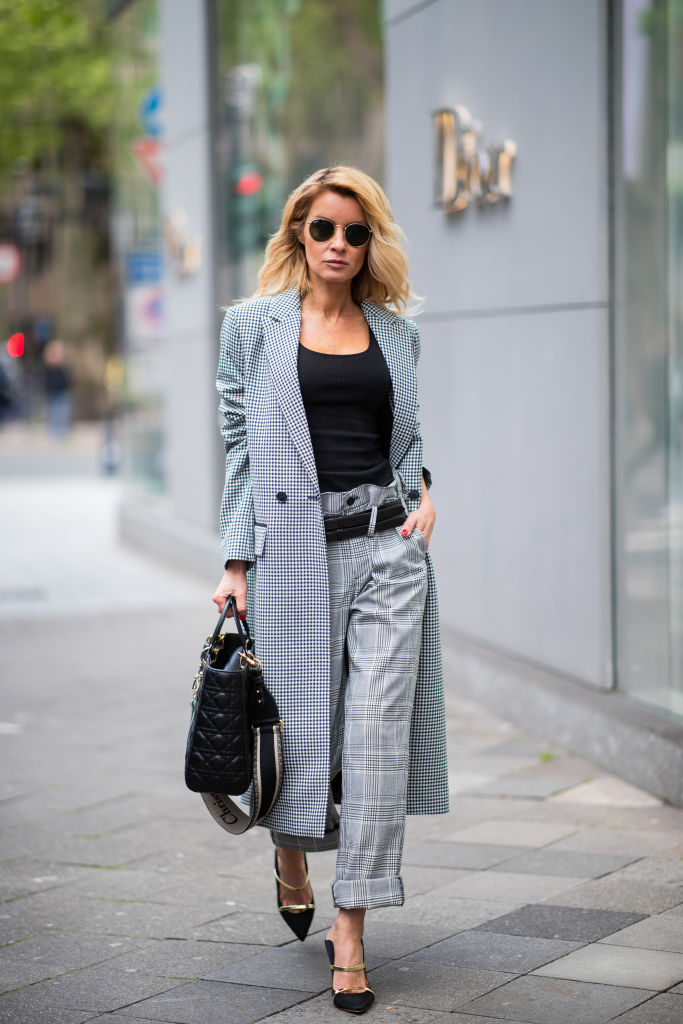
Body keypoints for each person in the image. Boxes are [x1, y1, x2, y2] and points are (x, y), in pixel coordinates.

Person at [212, 166, 448, 1014]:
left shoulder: (397, 334)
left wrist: (425, 491)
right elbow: (239, 446)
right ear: (298, 234)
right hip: (292, 553)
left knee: (378, 740)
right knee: (303, 734)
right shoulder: (253, 327)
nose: (339, 244)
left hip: (388, 550)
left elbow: (404, 439)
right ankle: (290, 850)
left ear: (370, 242)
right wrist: (235, 562)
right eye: (324, 229)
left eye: (355, 231)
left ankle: (350, 930)